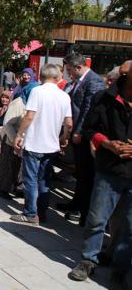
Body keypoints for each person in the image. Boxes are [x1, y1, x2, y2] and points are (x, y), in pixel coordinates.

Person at [67, 61, 132, 287]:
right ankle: (87, 261)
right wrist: (107, 144)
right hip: (110, 169)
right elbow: (91, 129)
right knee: (97, 219)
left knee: (129, 227)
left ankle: (120, 269)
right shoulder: (105, 97)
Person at [11, 64, 73, 225]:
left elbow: (29, 116)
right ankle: (41, 213)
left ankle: (31, 213)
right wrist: (64, 137)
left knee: (31, 179)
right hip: (51, 145)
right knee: (44, 180)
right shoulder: (64, 96)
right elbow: (69, 123)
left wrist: (19, 134)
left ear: (41, 76)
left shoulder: (37, 91)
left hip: (34, 143)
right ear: (57, 76)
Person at [59, 53, 106, 226]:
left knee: (86, 175)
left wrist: (78, 131)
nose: (69, 73)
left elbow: (88, 109)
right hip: (78, 133)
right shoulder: (81, 81)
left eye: (70, 70)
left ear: (79, 67)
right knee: (80, 173)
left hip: (85, 135)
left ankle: (84, 213)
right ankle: (76, 203)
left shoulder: (93, 81)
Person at [0, 82, 38, 199]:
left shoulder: (32, 103)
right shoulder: (18, 103)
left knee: (19, 166)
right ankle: (3, 189)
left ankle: (18, 186)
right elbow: (7, 124)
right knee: (8, 165)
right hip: (11, 138)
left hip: (23, 140)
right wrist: (15, 139)